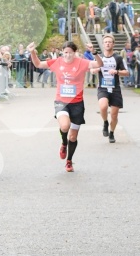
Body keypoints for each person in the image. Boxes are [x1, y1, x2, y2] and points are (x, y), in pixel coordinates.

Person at [27, 41, 102, 172]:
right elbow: (38, 64)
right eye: (65, 52)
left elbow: (99, 64)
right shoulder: (57, 62)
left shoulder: (82, 62)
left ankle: (69, 161)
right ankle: (63, 143)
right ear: (62, 52)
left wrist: (94, 52)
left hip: (77, 103)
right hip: (61, 102)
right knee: (64, 126)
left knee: (73, 136)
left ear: (75, 52)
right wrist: (32, 52)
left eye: (70, 53)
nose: (67, 55)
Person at [90, 34, 128, 143]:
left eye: (109, 42)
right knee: (103, 107)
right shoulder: (99, 57)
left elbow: (126, 72)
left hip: (115, 88)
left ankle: (111, 133)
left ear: (113, 44)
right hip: (103, 87)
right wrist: (95, 70)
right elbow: (91, 69)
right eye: (105, 42)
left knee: (114, 115)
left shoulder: (118, 58)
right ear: (103, 44)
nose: (107, 43)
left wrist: (116, 72)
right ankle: (105, 122)